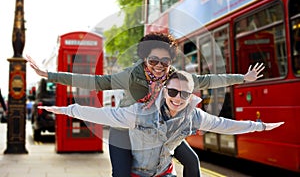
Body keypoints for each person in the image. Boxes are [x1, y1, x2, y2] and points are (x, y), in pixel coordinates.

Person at [26, 32, 265, 177]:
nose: (160, 65)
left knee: (192, 161)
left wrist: (242, 78)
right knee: (121, 174)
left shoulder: (177, 77)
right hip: (127, 132)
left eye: (165, 60)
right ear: (144, 58)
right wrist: (49, 75)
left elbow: (208, 80)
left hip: (162, 130)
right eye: (153, 60)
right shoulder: (130, 75)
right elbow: (97, 82)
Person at [40, 70, 284, 177]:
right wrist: (63, 108)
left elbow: (223, 123)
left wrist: (259, 125)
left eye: (185, 95)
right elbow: (99, 107)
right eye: (174, 93)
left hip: (164, 171)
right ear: (164, 90)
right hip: (132, 148)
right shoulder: (137, 101)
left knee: (192, 160)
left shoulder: (192, 112)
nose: (178, 98)